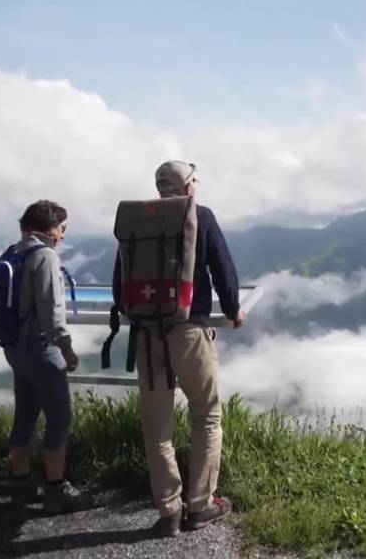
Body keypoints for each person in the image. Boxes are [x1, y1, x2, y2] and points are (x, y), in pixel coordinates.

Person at [114, 161, 246, 537]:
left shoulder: (138, 221)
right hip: (189, 330)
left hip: (146, 331)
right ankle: (201, 505)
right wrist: (233, 310)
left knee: (157, 427)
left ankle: (169, 511)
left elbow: (119, 277)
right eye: (195, 180)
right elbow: (222, 268)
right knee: (206, 413)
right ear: (188, 186)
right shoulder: (199, 216)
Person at [3, 199, 90, 512]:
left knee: (24, 415)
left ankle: (20, 481)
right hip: (42, 349)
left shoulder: (13, 252)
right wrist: (66, 348)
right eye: (62, 229)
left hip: (14, 349)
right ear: (51, 229)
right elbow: (52, 310)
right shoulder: (45, 257)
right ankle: (56, 489)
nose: (63, 236)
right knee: (59, 419)